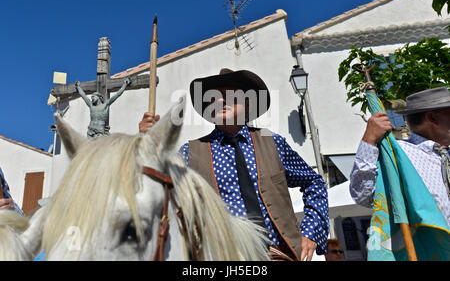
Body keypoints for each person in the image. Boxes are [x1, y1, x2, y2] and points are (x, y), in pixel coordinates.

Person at [139, 68, 329, 261]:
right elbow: (160, 187)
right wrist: (150, 144)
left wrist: (311, 232)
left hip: (281, 255)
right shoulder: (191, 151)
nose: (220, 101)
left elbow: (314, 182)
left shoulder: (272, 142)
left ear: (247, 104)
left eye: (229, 95)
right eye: (214, 98)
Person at [350, 87, 450, 225]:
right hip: (430, 244)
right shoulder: (399, 155)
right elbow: (363, 195)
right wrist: (369, 140)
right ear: (432, 118)